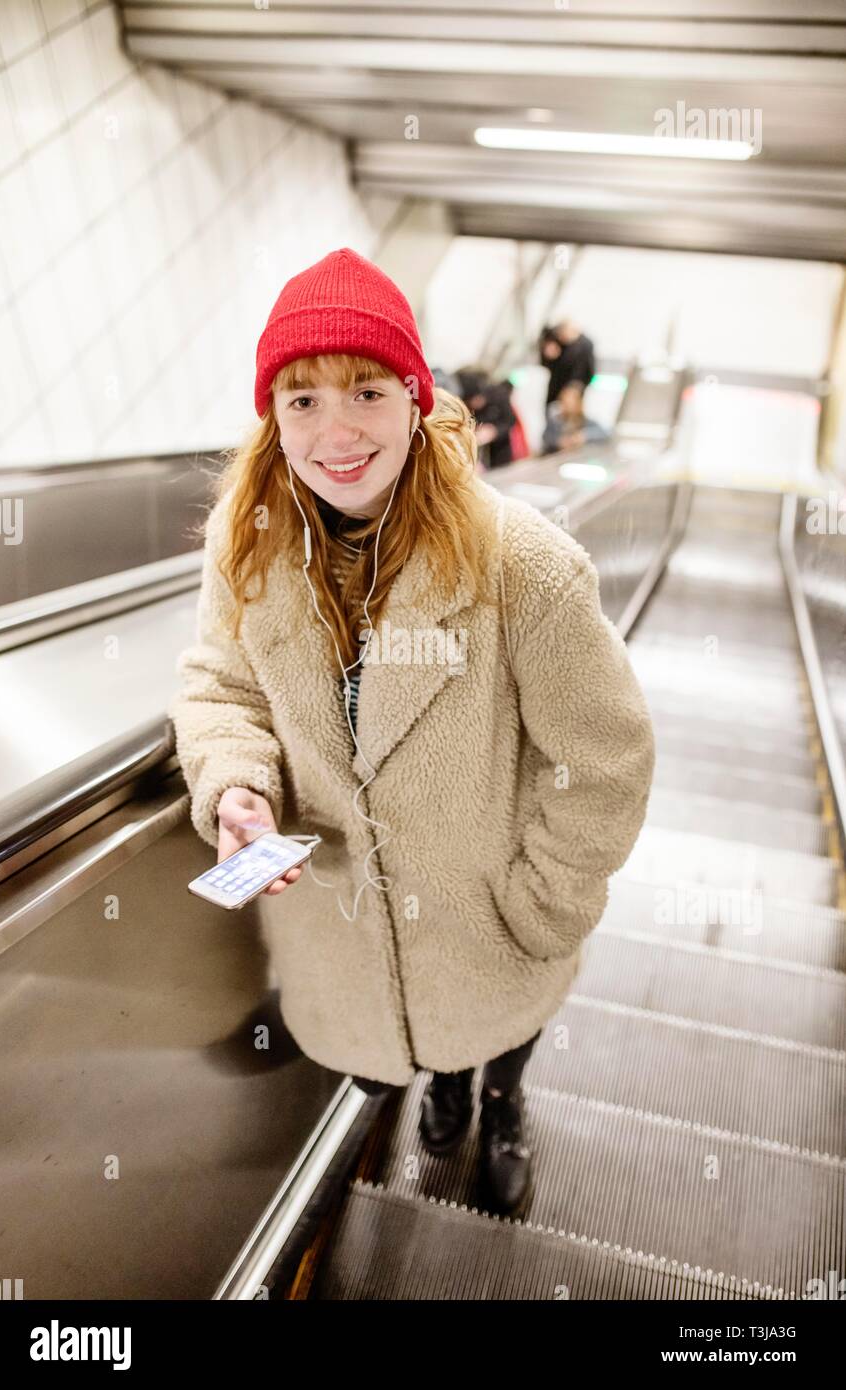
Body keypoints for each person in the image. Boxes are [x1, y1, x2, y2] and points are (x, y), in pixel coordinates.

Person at [168, 247, 655, 1218]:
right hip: (339, 926)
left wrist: (540, 904)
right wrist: (236, 787)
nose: (334, 429)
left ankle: (502, 1099)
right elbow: (222, 684)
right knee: (422, 1055)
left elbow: (605, 757)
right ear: (271, 415)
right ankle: (440, 1088)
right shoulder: (247, 540)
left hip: (491, 916)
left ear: (414, 397)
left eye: (364, 390)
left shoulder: (519, 564)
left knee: (498, 1028)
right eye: (299, 400)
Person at [539, 320, 596, 409]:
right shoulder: (556, 340)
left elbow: (588, 371)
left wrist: (575, 387)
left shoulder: (585, 347)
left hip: (573, 388)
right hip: (556, 388)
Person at [541, 381, 610, 455]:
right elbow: (546, 437)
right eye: (565, 401)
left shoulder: (586, 421)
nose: (567, 405)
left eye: (571, 402)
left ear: (579, 402)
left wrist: (583, 436)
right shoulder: (555, 421)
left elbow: (606, 433)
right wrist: (559, 441)